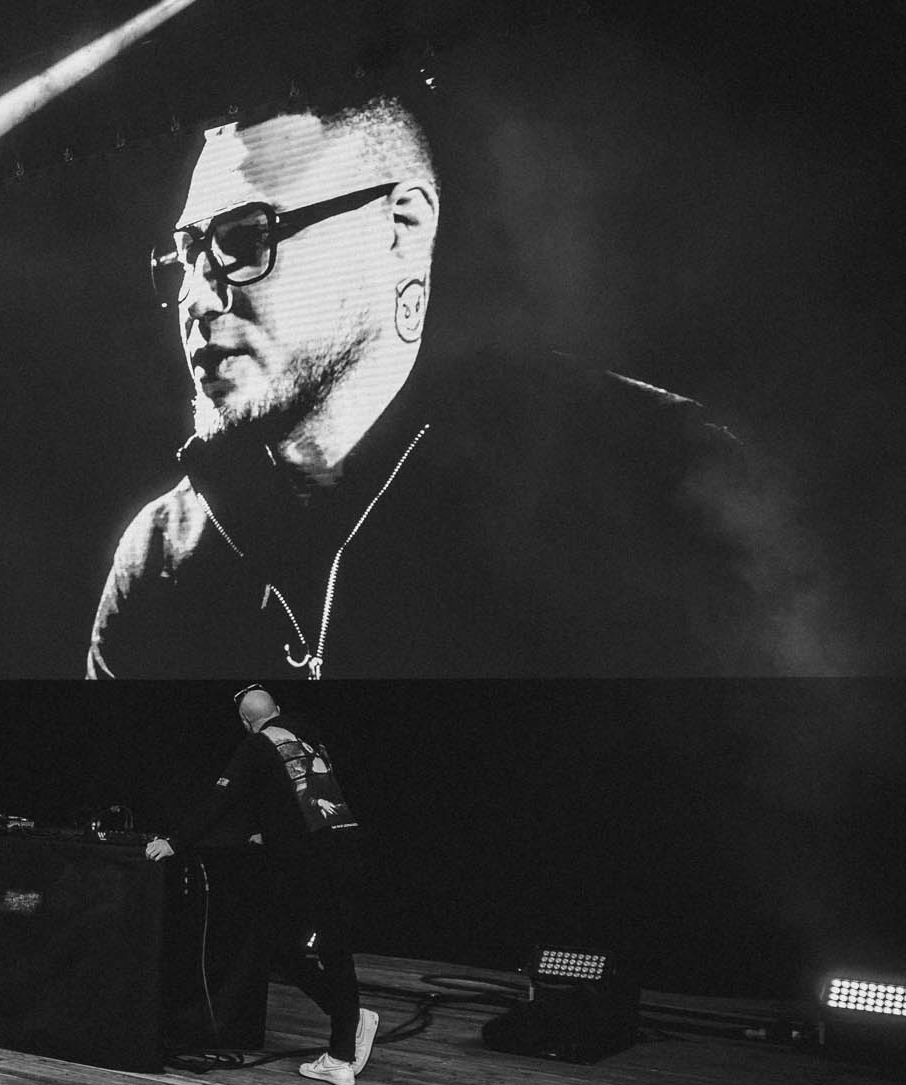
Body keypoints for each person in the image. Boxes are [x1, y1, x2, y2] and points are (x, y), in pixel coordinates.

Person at [88, 82, 759, 679]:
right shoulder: (160, 553)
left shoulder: (646, 463)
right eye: (186, 258)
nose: (196, 298)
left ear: (403, 227)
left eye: (243, 240)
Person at [145, 686, 379, 1085]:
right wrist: (272, 833)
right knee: (332, 948)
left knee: (282, 943)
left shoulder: (256, 746)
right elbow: (302, 794)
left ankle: (343, 1048)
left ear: (245, 722)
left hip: (310, 860)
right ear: (279, 710)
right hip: (346, 847)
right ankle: (346, 1035)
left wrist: (174, 842)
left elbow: (220, 800)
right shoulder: (307, 734)